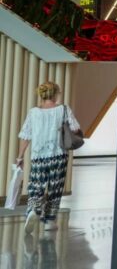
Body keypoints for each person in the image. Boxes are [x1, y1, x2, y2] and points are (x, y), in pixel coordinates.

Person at [17, 81, 82, 234]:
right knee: (55, 188)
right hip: (58, 155)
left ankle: (33, 209)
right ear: (56, 94)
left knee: (36, 186)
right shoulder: (63, 110)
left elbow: (25, 136)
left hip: (38, 156)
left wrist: (20, 157)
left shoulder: (34, 112)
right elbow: (75, 128)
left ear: (41, 94)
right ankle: (49, 221)